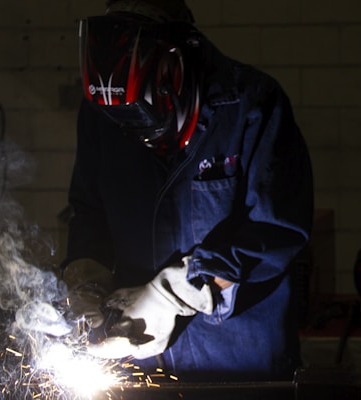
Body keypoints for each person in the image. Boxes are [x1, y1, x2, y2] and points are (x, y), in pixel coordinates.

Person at [61, 0, 313, 382]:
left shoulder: (252, 106)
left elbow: (277, 229)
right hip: (139, 356)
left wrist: (181, 291)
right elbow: (88, 211)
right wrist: (85, 280)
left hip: (236, 363)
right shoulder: (101, 113)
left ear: (175, 65)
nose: (129, 129)